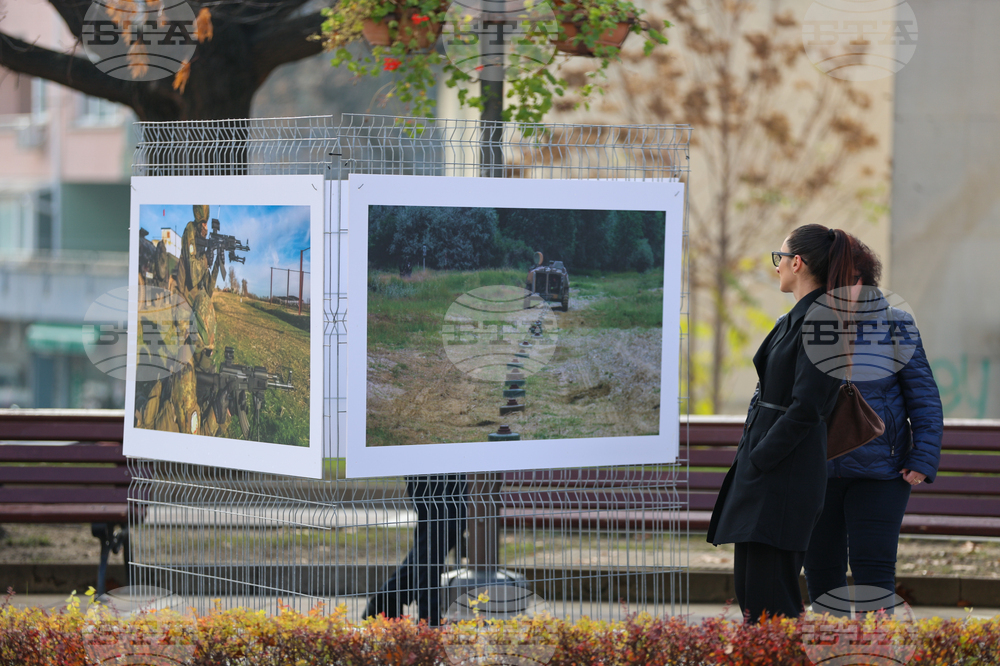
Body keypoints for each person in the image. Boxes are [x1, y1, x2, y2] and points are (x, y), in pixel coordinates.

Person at [707, 224, 858, 622]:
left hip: (783, 475)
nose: (776, 267)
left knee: (774, 606)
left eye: (779, 258)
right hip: (768, 474)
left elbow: (808, 407)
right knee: (755, 600)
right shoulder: (802, 316)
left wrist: (760, 458)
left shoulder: (824, 321)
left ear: (797, 262)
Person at [804, 241, 943, 615]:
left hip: (881, 470)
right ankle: (831, 651)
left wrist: (923, 456)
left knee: (874, 569)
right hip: (819, 468)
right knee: (820, 569)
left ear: (860, 280)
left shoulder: (897, 325)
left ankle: (876, 653)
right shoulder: (806, 323)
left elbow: (924, 396)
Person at [363, 474, 467, 626]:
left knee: (455, 523)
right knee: (435, 527)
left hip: (454, 453)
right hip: (423, 454)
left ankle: (389, 597)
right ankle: (429, 619)